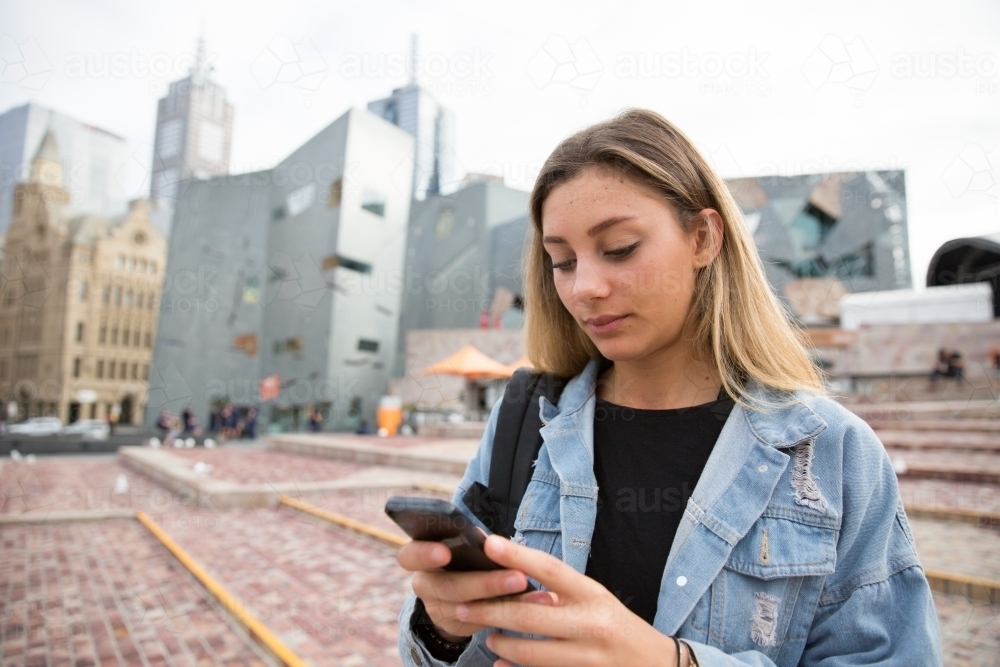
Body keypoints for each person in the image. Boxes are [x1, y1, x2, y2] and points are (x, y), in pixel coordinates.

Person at [396, 110, 941, 667]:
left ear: (703, 237)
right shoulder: (524, 421)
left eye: (620, 247)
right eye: (562, 261)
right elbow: (435, 647)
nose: (585, 287)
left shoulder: (833, 452)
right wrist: (442, 626)